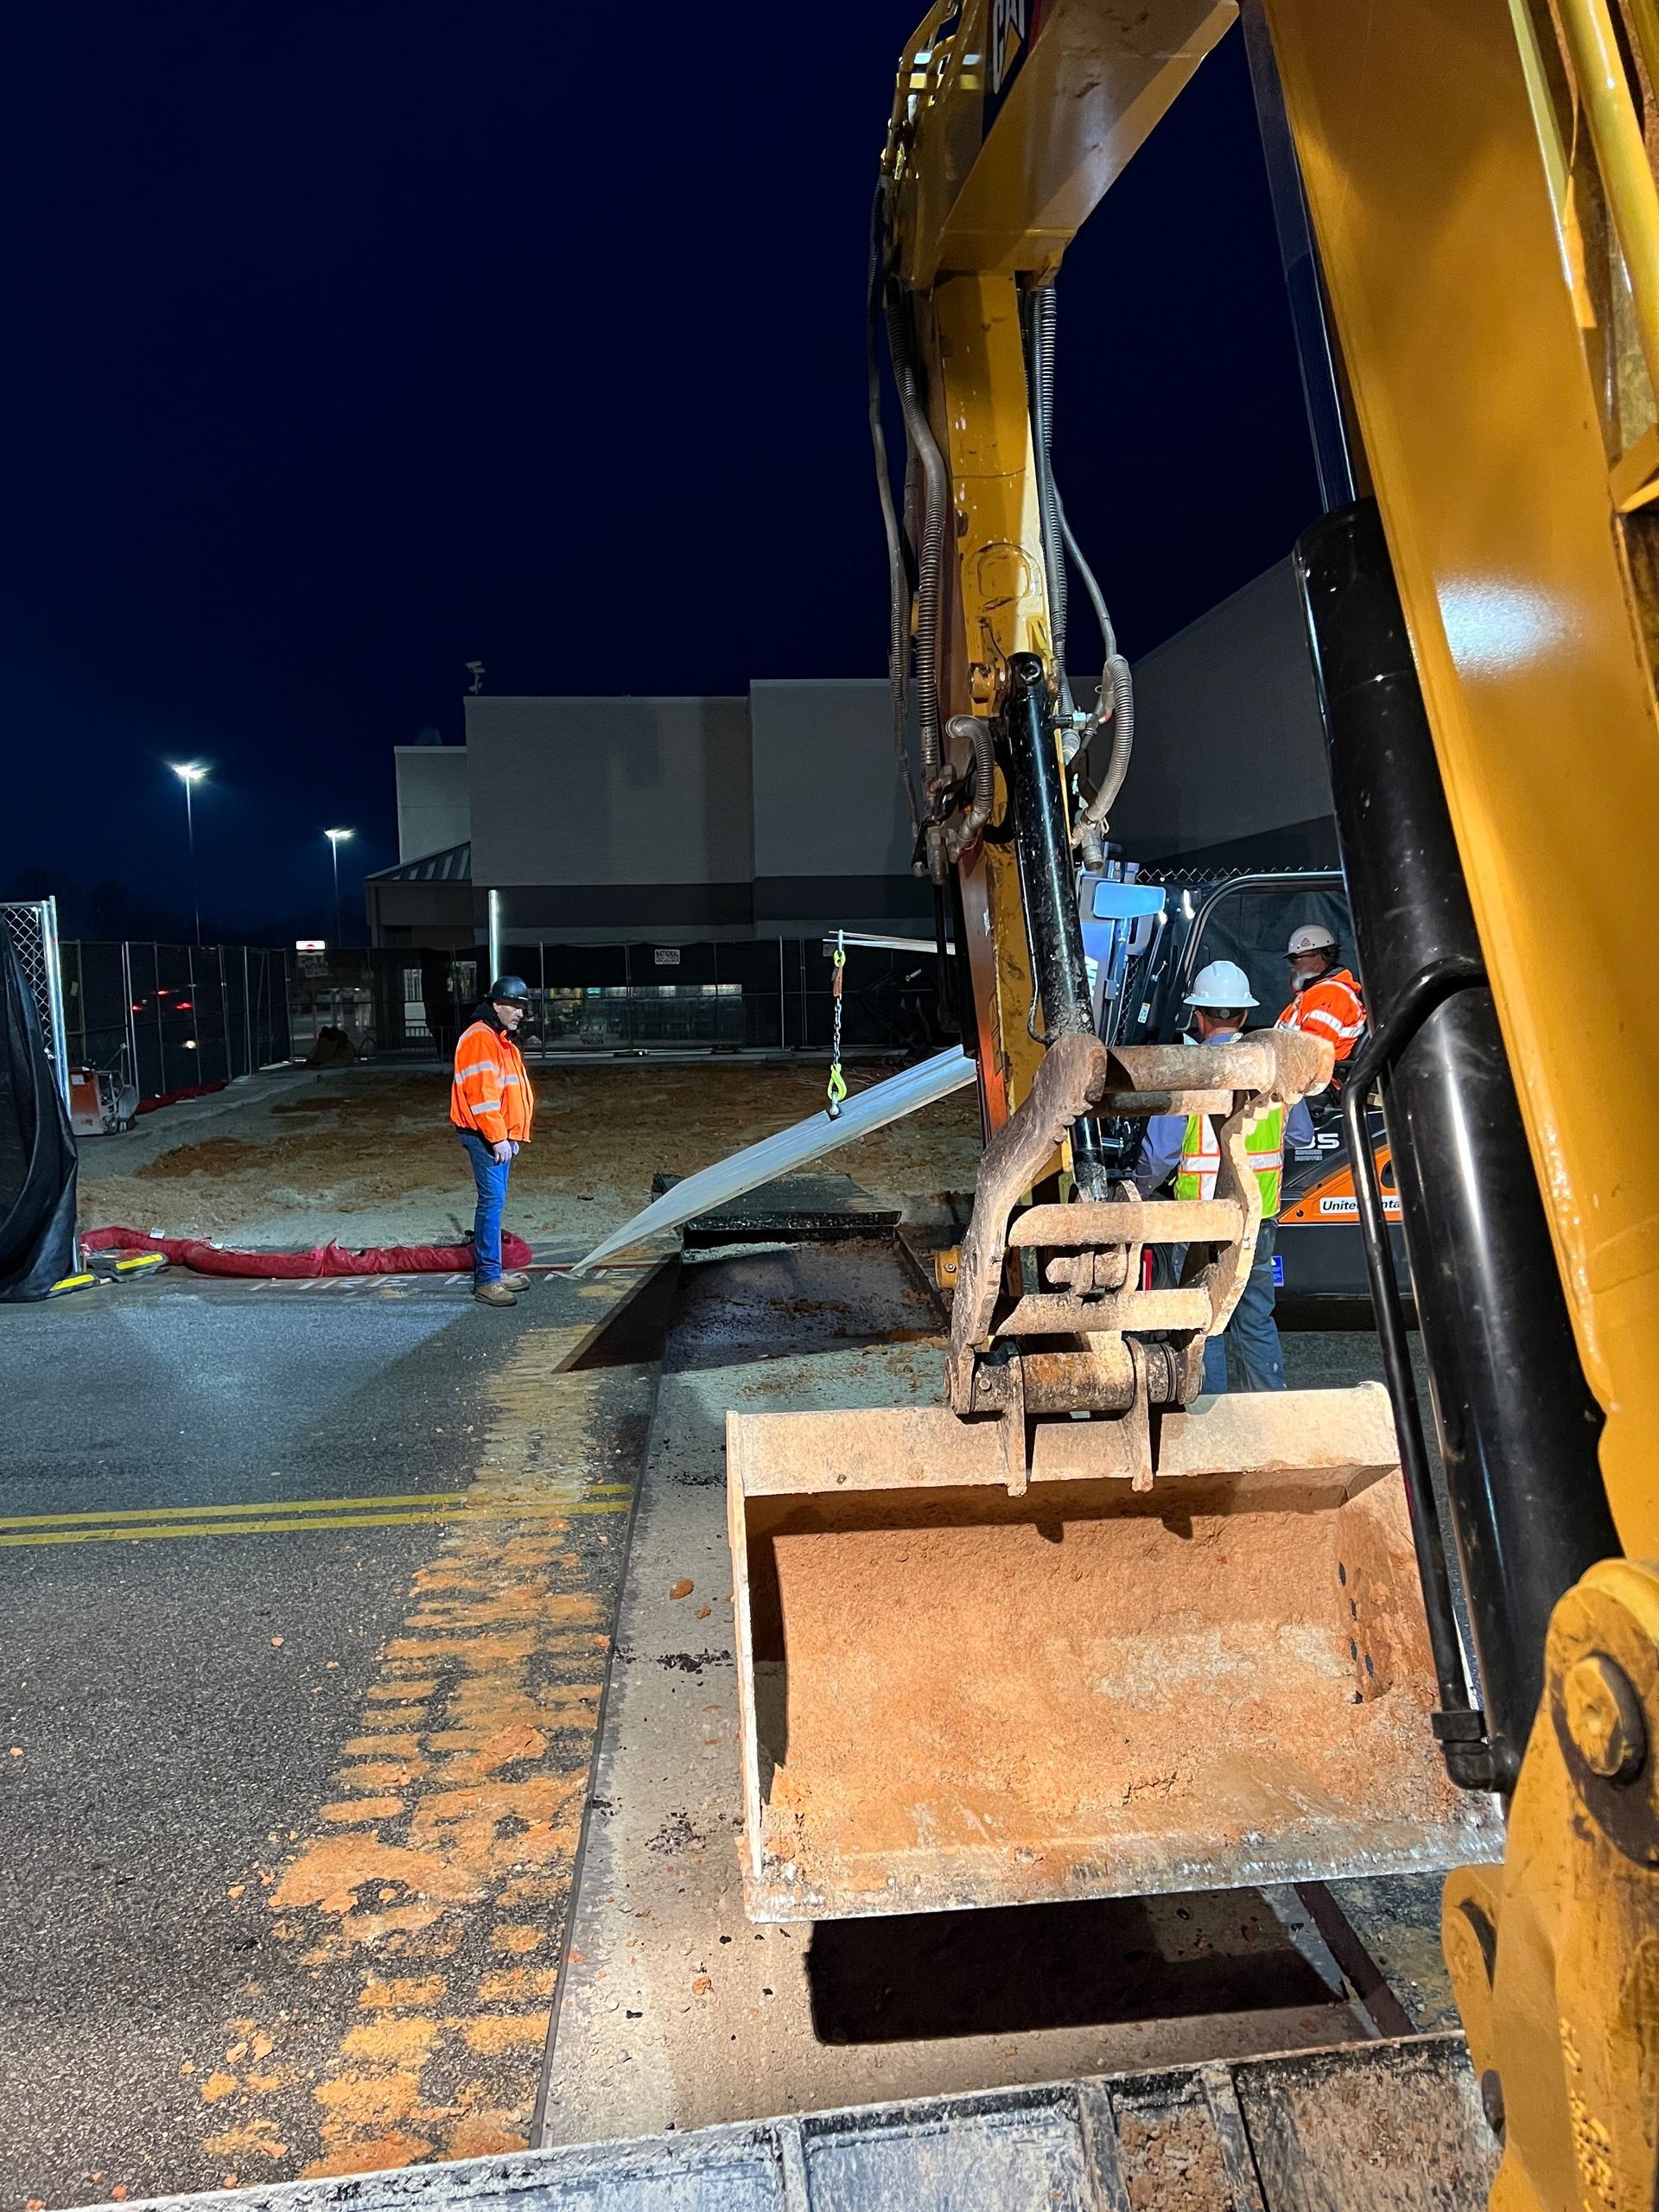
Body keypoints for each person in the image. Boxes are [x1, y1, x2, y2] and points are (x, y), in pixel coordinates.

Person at [1133, 959, 1312, 1393]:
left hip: (1200, 1219)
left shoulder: (1192, 1071)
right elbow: (1303, 1135)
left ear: (1198, 1014)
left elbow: (1160, 1153)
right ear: (1246, 1015)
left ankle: (1208, 1413)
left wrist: (1136, 1191)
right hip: (1258, 1216)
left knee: (1202, 1317)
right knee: (1254, 1317)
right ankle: (1269, 1409)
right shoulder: (1273, 1070)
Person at [451, 975, 536, 1307]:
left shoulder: (498, 1039)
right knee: (491, 1204)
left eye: (522, 1007)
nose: (520, 1013)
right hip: (485, 1137)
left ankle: (493, 1272)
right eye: (514, 1006)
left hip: (497, 1136)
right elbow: (482, 1097)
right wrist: (498, 1138)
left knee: (494, 1204)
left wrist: (509, 1135)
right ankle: (487, 1279)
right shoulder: (481, 1039)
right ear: (497, 1005)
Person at [1277, 923, 1365, 1082]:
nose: (1291, 965)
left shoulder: (1330, 995)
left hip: (1316, 1087)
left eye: (1295, 958)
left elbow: (1311, 1054)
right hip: (1302, 1082)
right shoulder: (1316, 993)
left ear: (1319, 957)